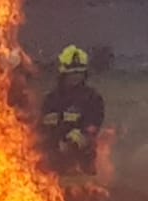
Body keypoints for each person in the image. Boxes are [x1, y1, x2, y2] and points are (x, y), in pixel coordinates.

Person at [40, 45, 105, 176]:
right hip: (51, 158)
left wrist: (73, 142)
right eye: (72, 73)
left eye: (79, 73)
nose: (76, 77)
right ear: (63, 74)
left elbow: (92, 127)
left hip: (80, 159)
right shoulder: (51, 99)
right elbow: (41, 127)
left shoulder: (92, 98)